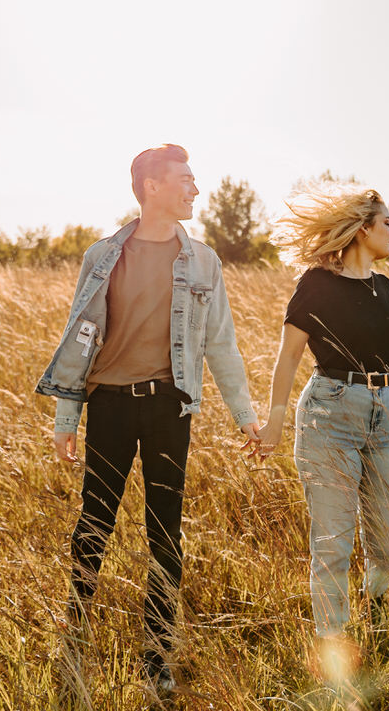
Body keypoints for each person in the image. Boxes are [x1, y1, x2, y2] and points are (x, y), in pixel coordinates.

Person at [36, 144, 261, 694]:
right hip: (109, 404)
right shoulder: (103, 255)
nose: (195, 189)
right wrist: (68, 416)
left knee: (165, 529)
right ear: (151, 186)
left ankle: (156, 656)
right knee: (95, 522)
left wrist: (244, 415)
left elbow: (221, 344)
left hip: (168, 406)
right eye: (185, 179)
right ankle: (76, 633)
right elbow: (79, 336)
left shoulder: (204, 260)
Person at [251, 182, 389, 664]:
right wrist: (274, 423)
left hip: (388, 413)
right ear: (362, 228)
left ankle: (377, 608)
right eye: (387, 222)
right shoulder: (316, 284)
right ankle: (333, 644)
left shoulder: (383, 286)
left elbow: (387, 361)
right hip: (330, 414)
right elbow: (288, 358)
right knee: (333, 539)